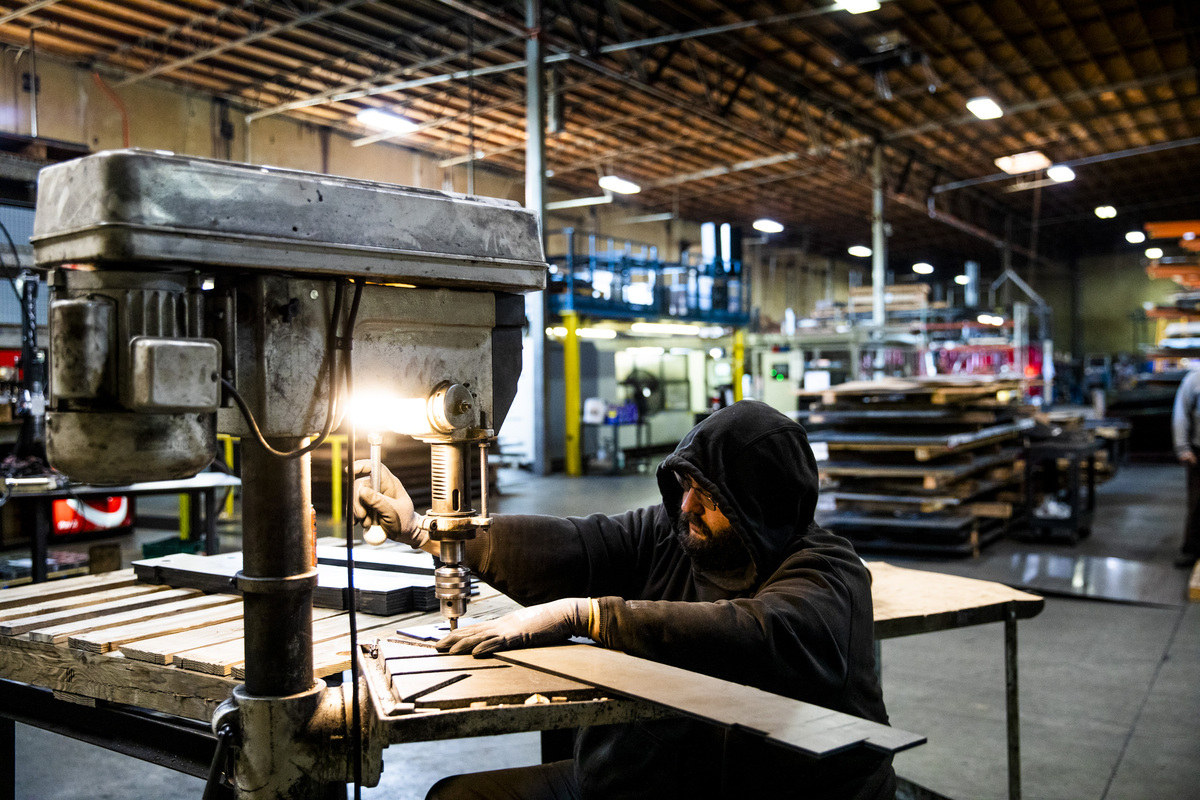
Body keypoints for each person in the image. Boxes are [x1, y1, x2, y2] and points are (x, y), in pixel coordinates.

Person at [355, 400, 894, 799]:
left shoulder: (829, 573)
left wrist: (586, 615)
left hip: (771, 791)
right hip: (641, 780)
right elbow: (573, 545)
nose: (686, 508)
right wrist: (428, 530)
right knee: (457, 797)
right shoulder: (675, 534)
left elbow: (758, 633)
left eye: (708, 498)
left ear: (759, 507)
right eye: (685, 487)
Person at [1171, 368, 1200, 568]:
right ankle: (1191, 549)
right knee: (1198, 503)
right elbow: (1180, 414)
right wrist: (1183, 448)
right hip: (1199, 454)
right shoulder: (1194, 380)